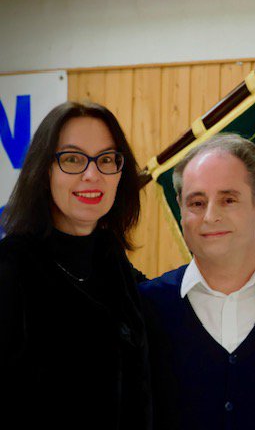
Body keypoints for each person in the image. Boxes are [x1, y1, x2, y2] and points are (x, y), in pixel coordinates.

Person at [138, 134, 255, 430]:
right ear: (181, 211)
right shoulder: (145, 308)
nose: (211, 216)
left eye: (228, 200)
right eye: (197, 202)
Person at [0, 102, 151, 429]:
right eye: (72, 159)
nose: (92, 174)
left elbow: (166, 296)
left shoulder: (110, 255)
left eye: (106, 159)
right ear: (44, 171)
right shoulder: (11, 268)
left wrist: (253, 263)